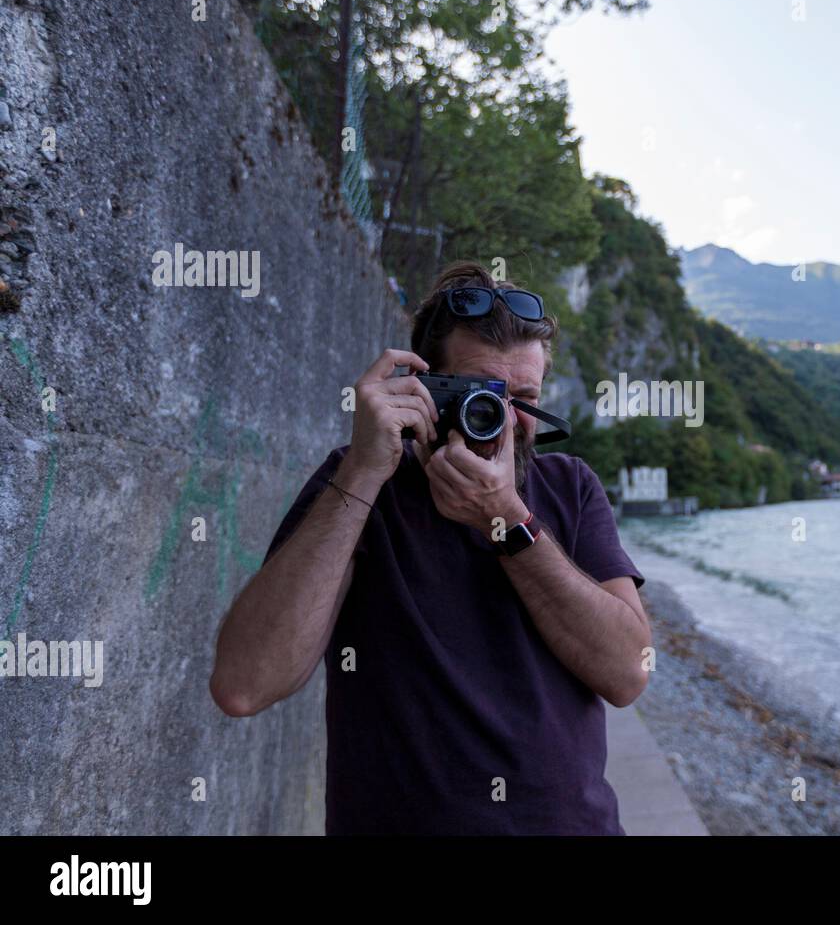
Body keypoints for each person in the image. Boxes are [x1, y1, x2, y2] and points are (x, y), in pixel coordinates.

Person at [209, 261, 650, 834]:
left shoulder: (569, 487)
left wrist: (508, 522)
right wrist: (365, 470)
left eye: (524, 397)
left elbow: (628, 673)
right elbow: (244, 684)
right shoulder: (361, 483)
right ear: (421, 387)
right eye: (481, 393)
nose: (504, 420)